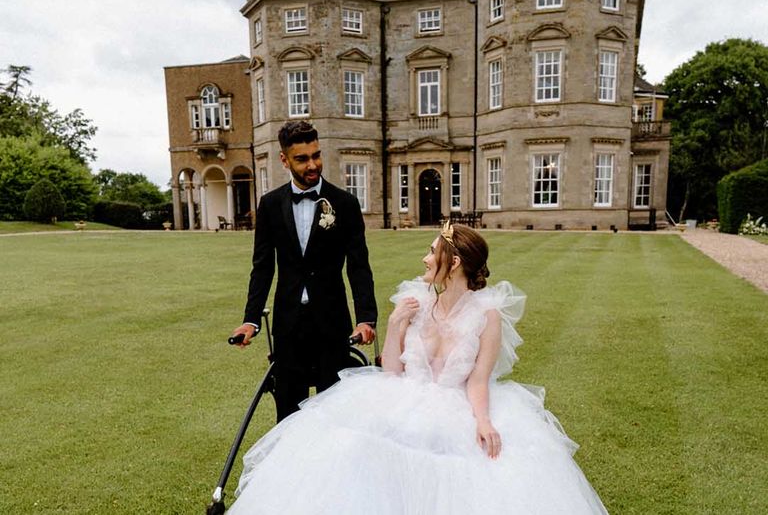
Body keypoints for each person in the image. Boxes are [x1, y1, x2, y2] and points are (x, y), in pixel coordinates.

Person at [227, 223, 609, 514]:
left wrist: (483, 420)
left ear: (454, 262)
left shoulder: (487, 315)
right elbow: (391, 372)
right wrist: (394, 325)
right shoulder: (414, 300)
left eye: (432, 252)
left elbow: (478, 380)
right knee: (349, 449)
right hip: (402, 396)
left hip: (455, 405)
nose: (426, 259)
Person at [230, 120, 377, 422]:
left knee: (335, 415)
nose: (313, 165)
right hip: (288, 326)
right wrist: (250, 319)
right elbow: (262, 267)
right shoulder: (270, 205)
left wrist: (365, 318)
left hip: (333, 325)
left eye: (316, 155)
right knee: (288, 414)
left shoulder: (345, 204)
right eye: (302, 158)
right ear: (284, 159)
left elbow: (359, 266)